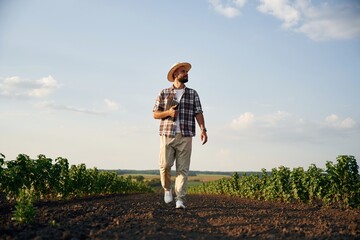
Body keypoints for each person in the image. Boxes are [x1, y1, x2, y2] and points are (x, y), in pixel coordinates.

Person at [153, 62, 208, 209]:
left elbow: (198, 112)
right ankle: (167, 188)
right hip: (167, 134)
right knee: (165, 166)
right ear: (175, 74)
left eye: (186, 72)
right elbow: (155, 114)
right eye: (183, 71)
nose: (186, 73)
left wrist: (203, 129)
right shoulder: (164, 93)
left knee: (182, 169)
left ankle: (180, 199)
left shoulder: (193, 93)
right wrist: (168, 113)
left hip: (186, 134)